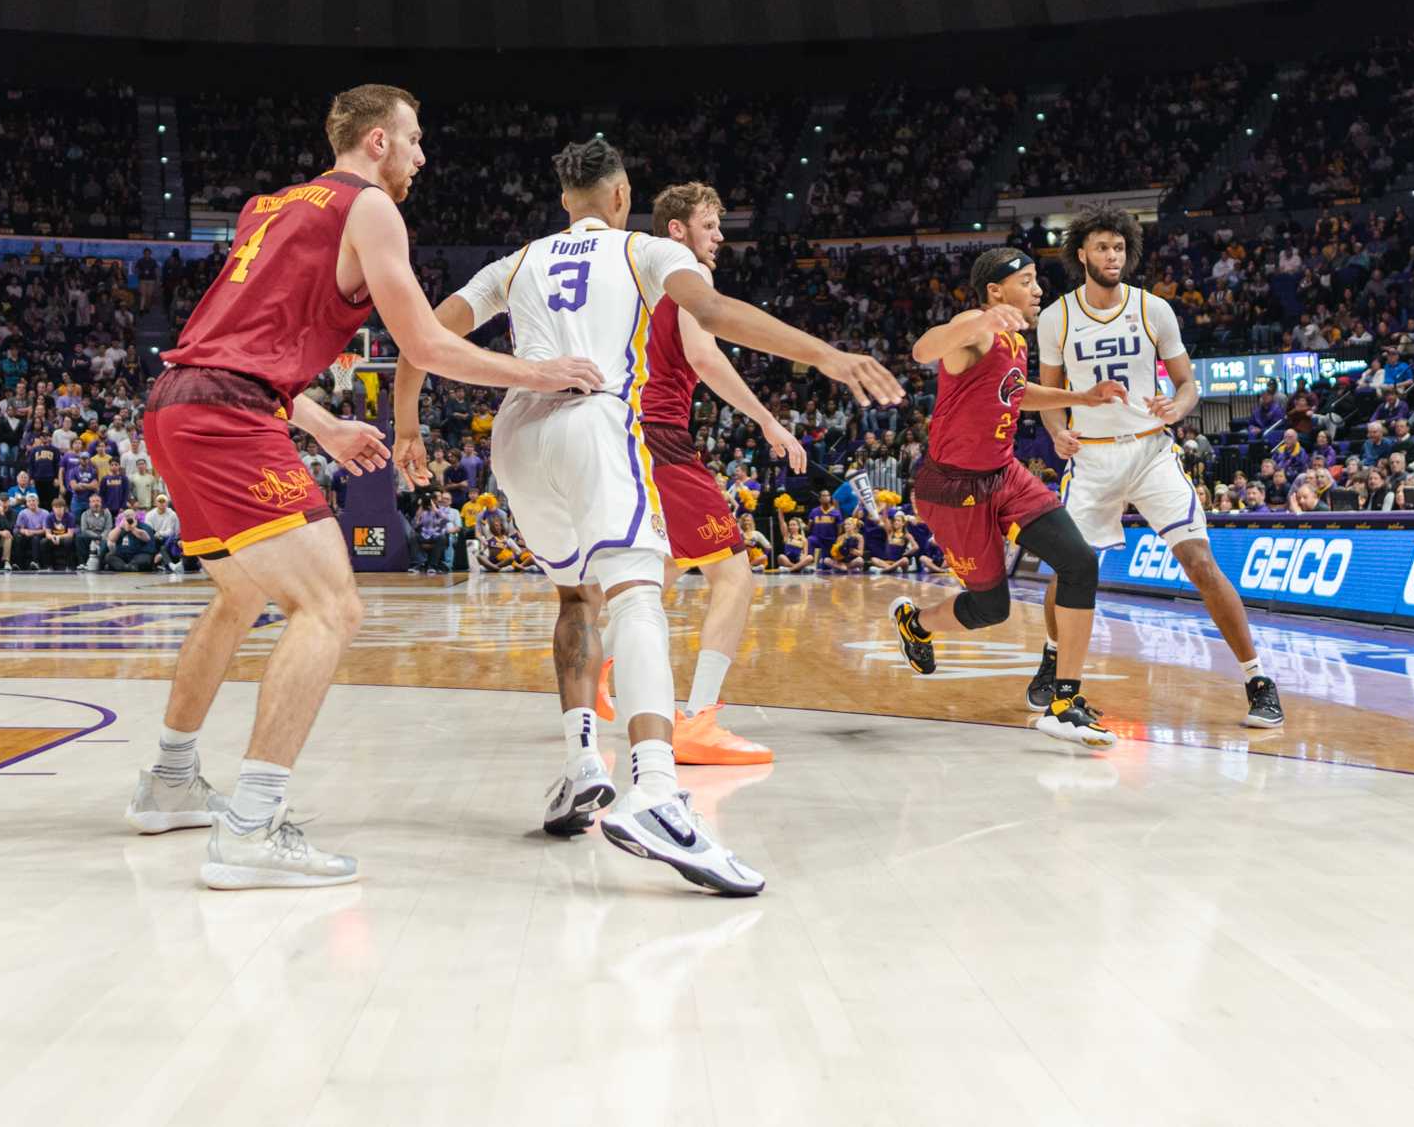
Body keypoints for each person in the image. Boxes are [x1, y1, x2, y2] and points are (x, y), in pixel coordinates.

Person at [398, 138, 900, 896]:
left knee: (575, 595)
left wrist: (407, 427)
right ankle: (657, 791)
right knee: (637, 593)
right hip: (595, 417)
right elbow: (715, 311)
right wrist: (826, 357)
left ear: (566, 199)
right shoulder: (642, 250)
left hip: (516, 435)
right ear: (624, 196)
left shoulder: (519, 260)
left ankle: (579, 765)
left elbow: (422, 338)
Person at [130, 84, 567, 891]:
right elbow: (428, 343)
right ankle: (252, 826)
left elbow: (226, 340)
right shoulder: (370, 209)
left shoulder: (271, 206)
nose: (422, 155)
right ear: (375, 142)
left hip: (178, 405)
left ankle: (169, 779)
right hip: (228, 415)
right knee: (331, 606)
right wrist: (542, 372)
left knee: (236, 597)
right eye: (414, 138)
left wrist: (321, 423)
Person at [1032, 208, 1281, 727]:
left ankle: (1258, 679)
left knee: (1200, 563)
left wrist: (1181, 406)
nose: (1112, 256)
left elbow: (1189, 384)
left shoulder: (1154, 310)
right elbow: (1050, 391)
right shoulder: (1057, 315)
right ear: (1082, 254)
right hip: (1093, 457)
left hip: (1150, 450)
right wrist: (1057, 430)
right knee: (1072, 568)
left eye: (1119, 248)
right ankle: (1053, 658)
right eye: (1102, 248)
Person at [589, 182, 803, 766]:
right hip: (660, 438)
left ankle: (591, 675)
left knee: (663, 568)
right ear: (678, 230)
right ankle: (699, 720)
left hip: (621, 435)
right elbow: (706, 357)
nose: (719, 238)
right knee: (734, 577)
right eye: (710, 226)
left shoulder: (632, 279)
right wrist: (769, 422)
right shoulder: (684, 275)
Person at [889, 246, 1122, 748]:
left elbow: (1017, 392)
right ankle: (915, 623)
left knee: (1079, 563)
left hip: (1005, 475)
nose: (1039, 289)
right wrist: (976, 321)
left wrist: (1080, 398)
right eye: (1028, 280)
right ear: (996, 290)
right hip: (953, 489)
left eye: (1039, 280)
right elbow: (923, 350)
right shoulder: (973, 327)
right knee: (991, 607)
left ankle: (1065, 701)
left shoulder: (1015, 340)